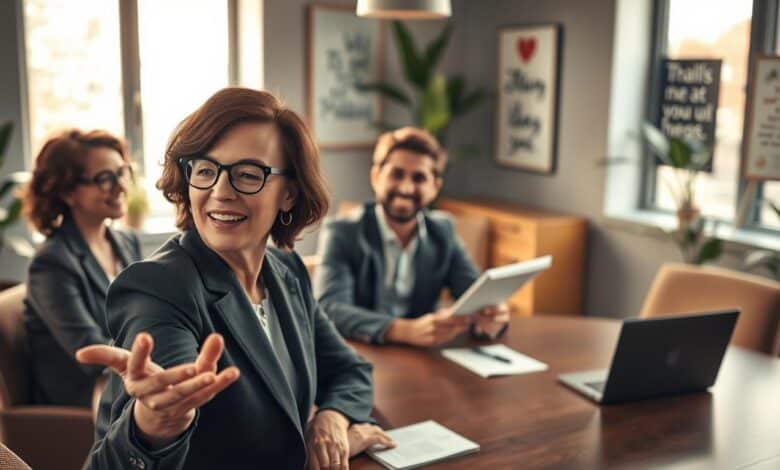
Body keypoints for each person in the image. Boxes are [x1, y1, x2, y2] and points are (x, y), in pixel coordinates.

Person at [76, 88, 393, 470]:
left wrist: (333, 421)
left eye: (247, 174)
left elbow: (350, 371)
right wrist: (155, 426)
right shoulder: (158, 288)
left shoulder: (287, 272)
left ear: (289, 194)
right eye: (205, 170)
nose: (220, 192)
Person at [314, 127, 510, 347]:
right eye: (396, 174)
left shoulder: (442, 232)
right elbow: (330, 308)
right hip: (360, 352)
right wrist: (403, 330)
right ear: (376, 176)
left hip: (420, 357)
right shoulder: (342, 232)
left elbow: (474, 294)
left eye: (419, 178)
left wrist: (492, 316)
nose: (406, 188)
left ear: (435, 187)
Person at [21, 129, 141, 407]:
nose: (121, 186)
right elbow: (90, 352)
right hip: (83, 396)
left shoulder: (126, 241)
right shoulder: (51, 263)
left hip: (126, 378)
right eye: (105, 178)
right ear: (67, 192)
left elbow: (143, 315)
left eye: (122, 172)